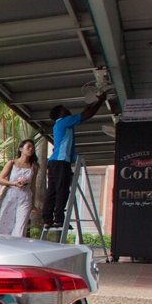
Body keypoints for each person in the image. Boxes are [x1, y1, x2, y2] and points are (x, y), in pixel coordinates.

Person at [43, 92, 108, 230]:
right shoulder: (65, 122)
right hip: (61, 162)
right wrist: (100, 101)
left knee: (52, 191)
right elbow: (87, 115)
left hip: (54, 162)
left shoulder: (61, 124)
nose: (67, 110)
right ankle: (59, 219)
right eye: (64, 109)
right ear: (61, 113)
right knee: (62, 190)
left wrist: (95, 101)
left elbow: (84, 112)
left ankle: (47, 219)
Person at [0, 138, 39, 237]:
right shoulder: (12, 163)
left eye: (33, 148)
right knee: (5, 225)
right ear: (21, 149)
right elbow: (0, 179)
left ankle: (17, 245)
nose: (31, 149)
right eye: (28, 147)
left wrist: (33, 204)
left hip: (25, 197)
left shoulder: (34, 167)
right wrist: (13, 183)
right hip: (10, 195)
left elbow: (33, 186)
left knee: (21, 227)